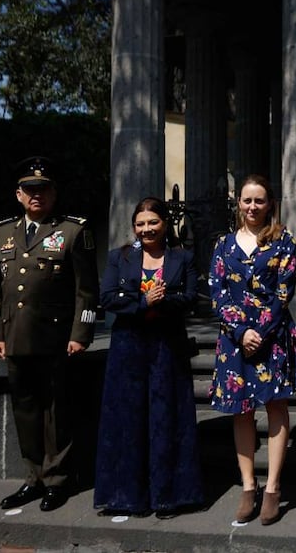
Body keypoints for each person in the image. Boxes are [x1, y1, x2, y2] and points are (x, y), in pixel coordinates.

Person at [0, 156, 98, 512]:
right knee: (25, 411)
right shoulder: (2, 233)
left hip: (55, 339)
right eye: (30, 189)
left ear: (54, 193)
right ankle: (33, 477)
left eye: (43, 189)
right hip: (15, 338)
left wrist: (81, 333)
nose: (37, 195)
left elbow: (86, 290)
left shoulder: (73, 231)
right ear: (18, 194)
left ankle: (57, 480)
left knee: (55, 412)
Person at [208, 174, 296, 525]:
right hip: (235, 341)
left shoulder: (284, 242)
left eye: (259, 200)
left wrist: (260, 332)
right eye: (247, 200)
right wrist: (241, 331)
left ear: (270, 204)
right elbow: (218, 292)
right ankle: (248, 486)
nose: (253, 207)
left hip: (272, 337)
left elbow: (284, 293)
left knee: (276, 406)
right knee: (241, 411)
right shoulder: (223, 245)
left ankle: (273, 487)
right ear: (238, 202)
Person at [93, 197, 205, 518]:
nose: (146, 229)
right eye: (140, 224)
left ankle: (168, 497)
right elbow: (107, 298)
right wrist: (143, 302)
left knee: (167, 418)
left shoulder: (182, 258)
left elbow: (190, 298)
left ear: (165, 224)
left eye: (153, 222)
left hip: (168, 347)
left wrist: (162, 301)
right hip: (128, 347)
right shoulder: (119, 257)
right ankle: (129, 497)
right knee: (128, 419)